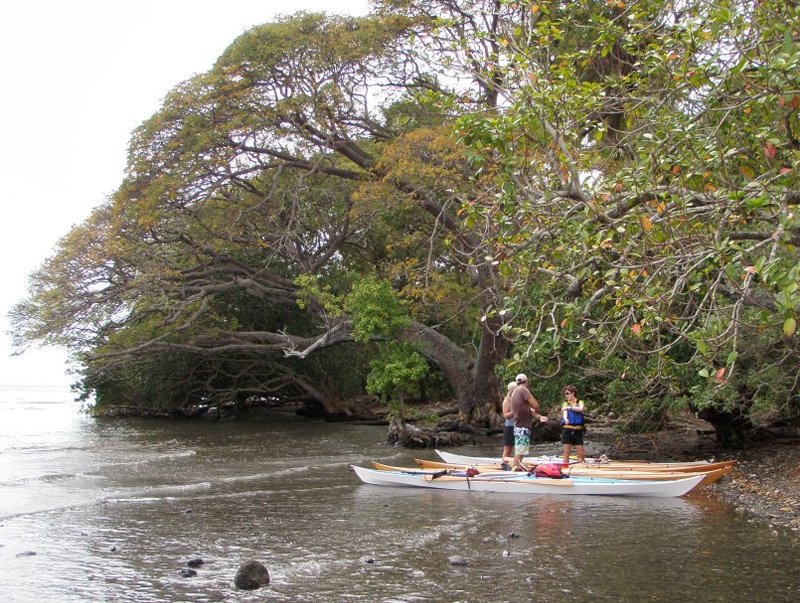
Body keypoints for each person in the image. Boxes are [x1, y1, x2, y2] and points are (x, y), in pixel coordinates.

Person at [509, 373, 548, 471]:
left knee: (520, 448)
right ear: (526, 381)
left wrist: (538, 416)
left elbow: (527, 409)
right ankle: (516, 468)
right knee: (520, 449)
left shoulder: (515, 391)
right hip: (522, 426)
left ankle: (517, 466)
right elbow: (535, 405)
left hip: (518, 425)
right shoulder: (523, 390)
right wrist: (537, 410)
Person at [560, 385, 586, 466]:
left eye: (568, 393)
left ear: (573, 393)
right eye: (565, 394)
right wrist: (566, 419)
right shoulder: (565, 404)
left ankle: (582, 465)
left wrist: (571, 407)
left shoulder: (580, 402)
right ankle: (565, 465)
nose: (566, 396)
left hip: (578, 429)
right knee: (566, 451)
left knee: (580, 451)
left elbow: (580, 409)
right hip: (567, 429)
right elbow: (564, 412)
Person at [500, 381, 518, 461]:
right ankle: (504, 462)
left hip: (518, 426)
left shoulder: (517, 399)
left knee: (518, 447)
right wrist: (515, 410)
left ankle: (516, 462)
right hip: (510, 426)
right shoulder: (507, 400)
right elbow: (505, 415)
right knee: (508, 447)